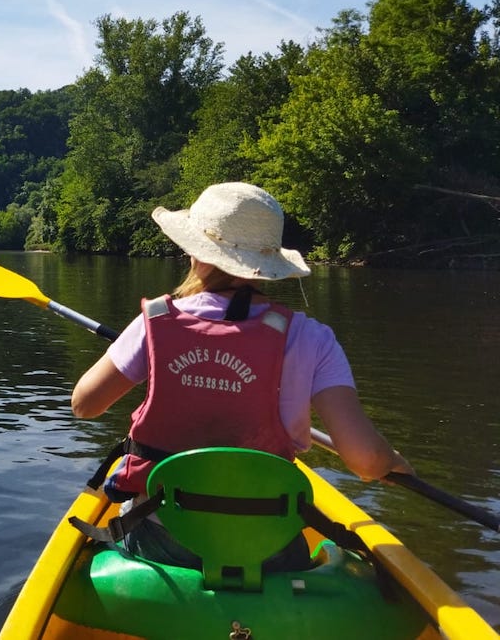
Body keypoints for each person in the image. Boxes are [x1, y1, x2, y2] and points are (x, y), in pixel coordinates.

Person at [71, 182, 413, 568]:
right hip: (268, 546)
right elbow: (366, 460)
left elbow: (84, 405)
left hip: (162, 538)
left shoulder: (155, 323)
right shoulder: (313, 338)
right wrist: (390, 460)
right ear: (268, 265)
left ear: (193, 250)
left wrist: (149, 360)